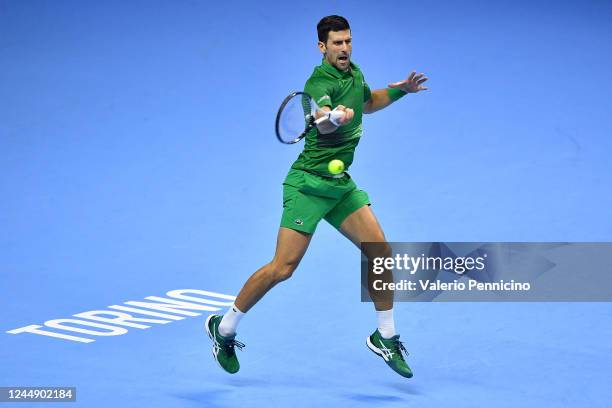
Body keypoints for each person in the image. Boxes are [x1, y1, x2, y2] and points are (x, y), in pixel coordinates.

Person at [205, 15, 428, 378]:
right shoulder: (318, 81)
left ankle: (385, 335)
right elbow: (322, 116)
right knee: (283, 268)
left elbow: (369, 102)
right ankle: (224, 327)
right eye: (337, 43)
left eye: (348, 41)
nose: (344, 48)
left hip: (339, 186)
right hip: (307, 185)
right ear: (321, 47)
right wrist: (334, 118)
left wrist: (401, 90)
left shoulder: (353, 73)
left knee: (380, 252)